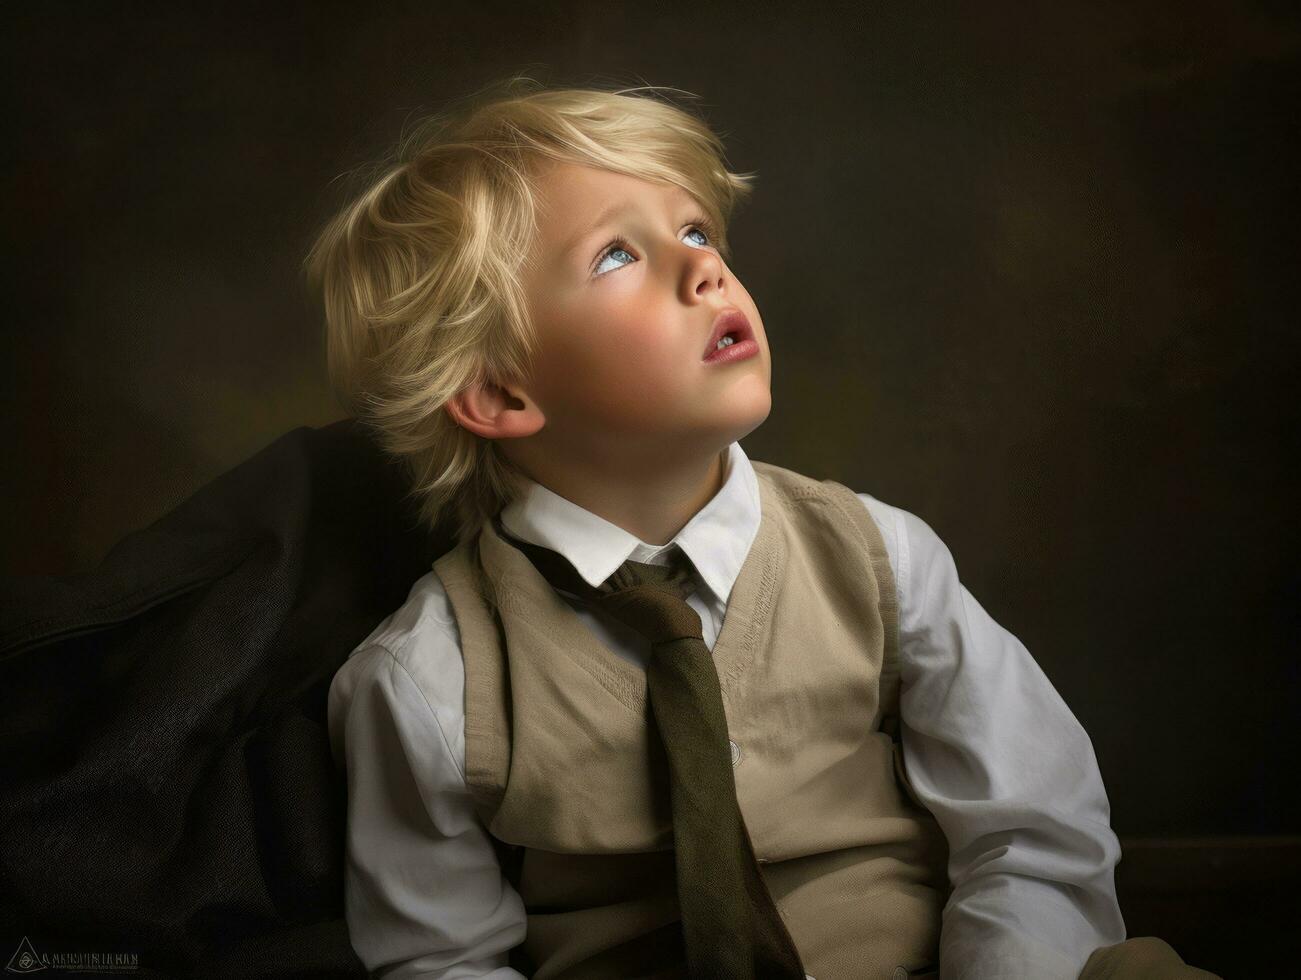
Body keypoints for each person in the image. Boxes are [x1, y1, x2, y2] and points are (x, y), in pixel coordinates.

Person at [312, 77, 1217, 980]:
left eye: (696, 230)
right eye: (617, 255)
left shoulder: (878, 558)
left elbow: (1031, 828)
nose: (703, 266)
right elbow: (441, 961)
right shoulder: (430, 679)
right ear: (500, 393)